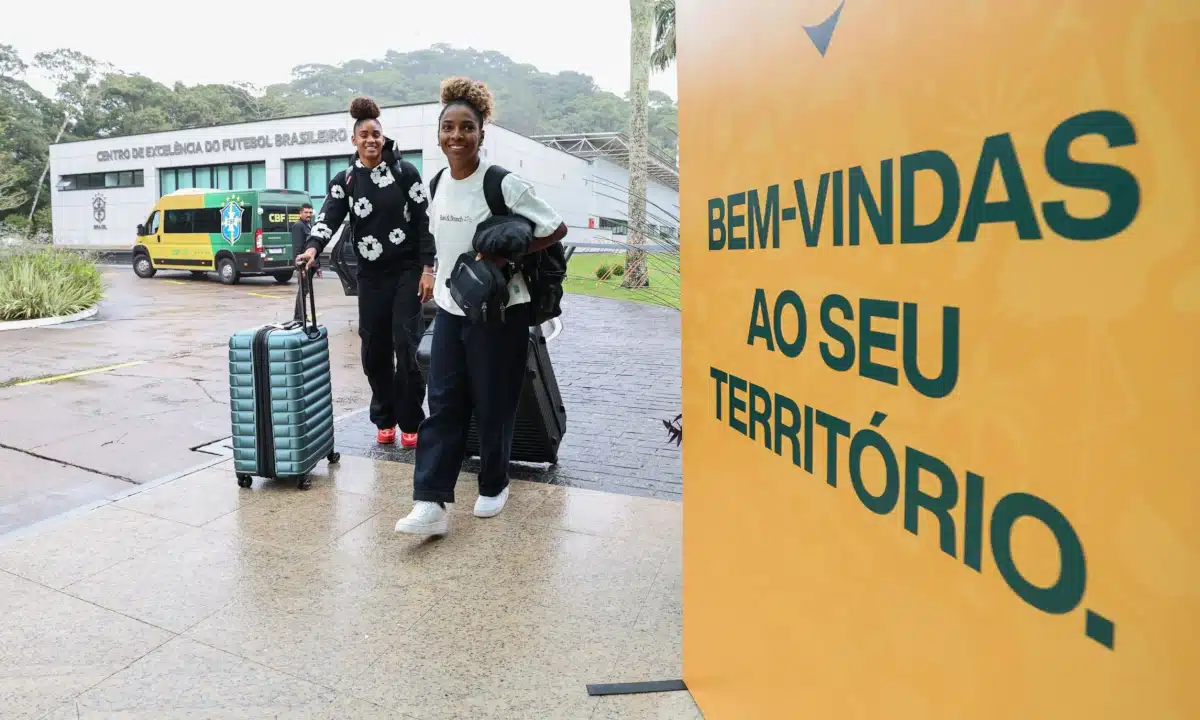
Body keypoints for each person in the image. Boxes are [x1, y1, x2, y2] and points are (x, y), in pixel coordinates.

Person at [394, 77, 568, 535]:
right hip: (453, 309)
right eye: (448, 127)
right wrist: (433, 270)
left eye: (466, 127)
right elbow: (440, 241)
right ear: (438, 134)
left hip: (502, 311)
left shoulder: (500, 183)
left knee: (494, 402)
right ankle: (430, 502)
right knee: (445, 402)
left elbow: (555, 227)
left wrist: (505, 252)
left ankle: (494, 482)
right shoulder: (436, 183)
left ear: (481, 133)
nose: (456, 136)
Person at [295, 97, 435, 448]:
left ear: (383, 138)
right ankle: (384, 417)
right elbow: (328, 216)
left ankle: (411, 421)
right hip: (370, 275)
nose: (371, 140)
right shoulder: (345, 179)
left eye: (377, 134)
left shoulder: (406, 174)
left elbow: (423, 224)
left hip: (407, 270)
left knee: (407, 346)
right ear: (354, 140)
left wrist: (428, 267)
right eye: (364, 135)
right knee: (374, 349)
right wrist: (312, 248)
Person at [290, 203, 315, 320]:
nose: (308, 214)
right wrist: (300, 268)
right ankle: (300, 317)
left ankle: (300, 316)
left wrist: (318, 267)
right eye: (306, 212)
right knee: (303, 291)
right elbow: (298, 248)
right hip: (303, 265)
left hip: (310, 265)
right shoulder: (298, 226)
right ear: (300, 213)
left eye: (310, 212)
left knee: (304, 291)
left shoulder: (310, 225)